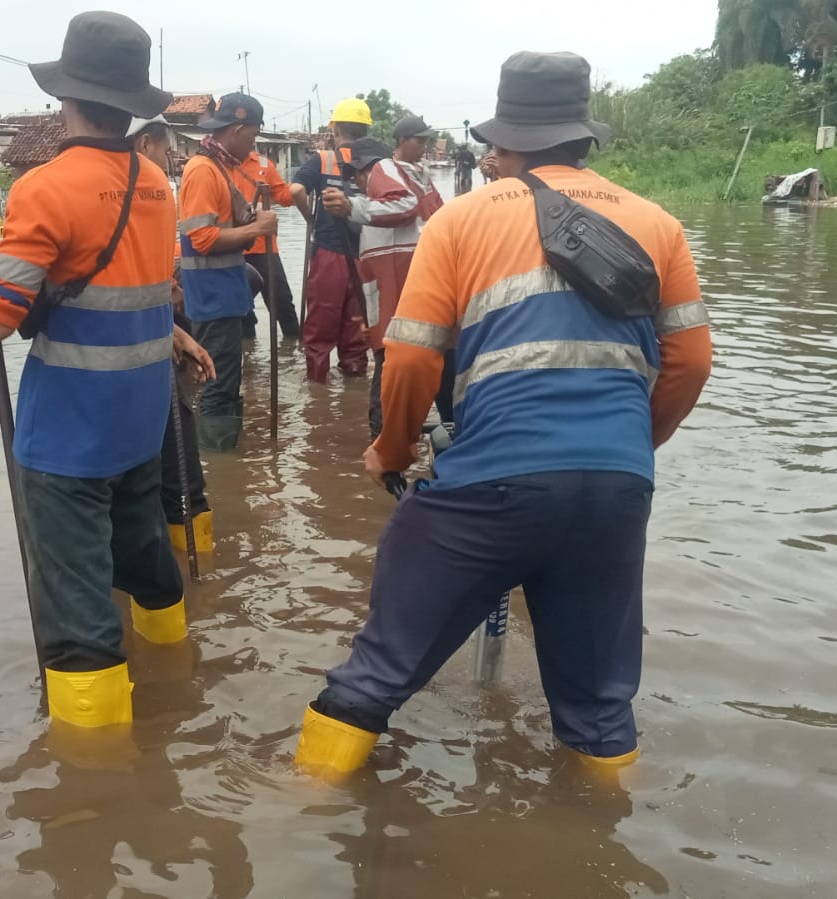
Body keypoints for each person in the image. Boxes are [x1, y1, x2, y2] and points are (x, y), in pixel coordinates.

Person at [295, 51, 714, 779]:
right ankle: (598, 839)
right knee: (598, 706)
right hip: (615, 485)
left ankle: (296, 825)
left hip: (491, 482)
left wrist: (390, 452)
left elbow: (414, 362)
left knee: (374, 675)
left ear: (503, 139)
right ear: (584, 135)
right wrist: (629, 447)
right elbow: (691, 363)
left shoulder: (460, 221)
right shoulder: (659, 224)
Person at [0, 12, 215, 731]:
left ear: (65, 96)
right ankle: (173, 672)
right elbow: (131, 289)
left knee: (75, 607)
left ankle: (95, 780)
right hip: (138, 420)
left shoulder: (44, 188)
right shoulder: (157, 182)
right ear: (132, 101)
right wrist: (10, 272)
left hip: (68, 435)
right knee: (144, 562)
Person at [322, 117, 448, 439]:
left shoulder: (384, 171)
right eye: (419, 141)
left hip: (400, 281)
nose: (359, 183)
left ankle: (384, 436)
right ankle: (444, 425)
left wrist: (352, 206)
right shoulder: (410, 174)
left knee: (389, 357)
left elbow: (408, 206)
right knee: (430, 354)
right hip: (405, 281)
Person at [130, 114, 214, 553]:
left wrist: (178, 337)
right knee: (178, 481)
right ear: (145, 145)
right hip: (137, 365)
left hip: (149, 345)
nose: (169, 161)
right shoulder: (150, 193)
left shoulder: (151, 195)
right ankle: (195, 575)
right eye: (165, 151)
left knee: (164, 482)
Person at [177, 92, 279, 451]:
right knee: (218, 386)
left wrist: (251, 221)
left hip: (223, 293)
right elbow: (202, 238)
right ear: (237, 129)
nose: (253, 143)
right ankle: (218, 465)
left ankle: (227, 463)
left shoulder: (219, 167)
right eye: (253, 134)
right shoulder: (203, 171)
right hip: (212, 296)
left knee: (226, 381)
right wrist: (257, 230)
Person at [292, 98, 372, 383]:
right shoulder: (377, 162)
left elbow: (296, 190)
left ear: (336, 129)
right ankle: (355, 382)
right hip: (365, 255)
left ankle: (317, 391)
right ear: (366, 131)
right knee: (357, 327)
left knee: (320, 328)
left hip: (328, 253)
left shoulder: (323, 159)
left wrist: (310, 220)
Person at [238, 147, 301, 341]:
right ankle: (249, 361)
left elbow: (281, 194)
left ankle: (295, 349)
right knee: (241, 308)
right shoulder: (217, 166)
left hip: (264, 246)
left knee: (282, 301)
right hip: (234, 247)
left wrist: (300, 188)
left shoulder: (264, 164)